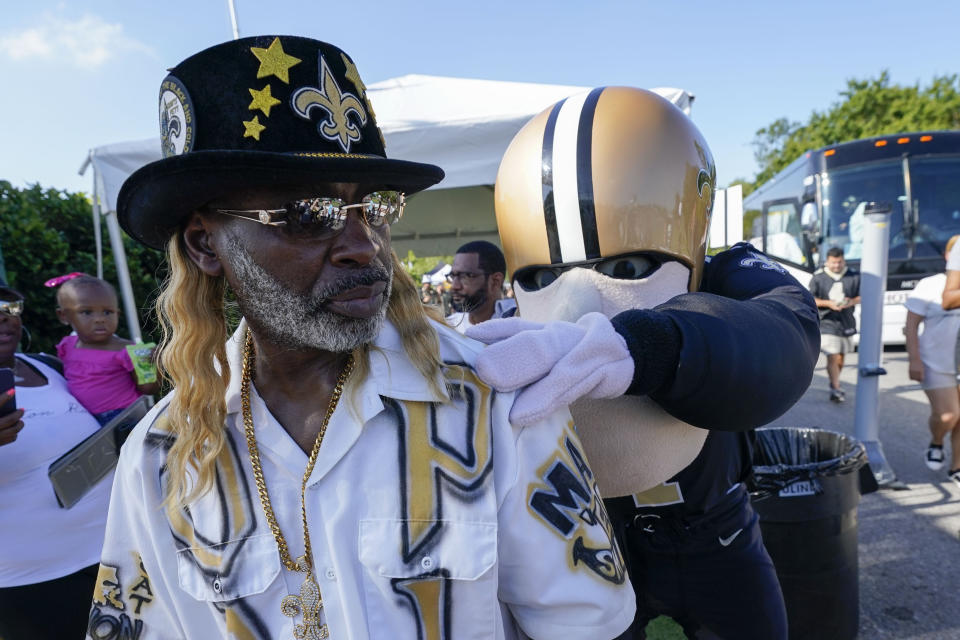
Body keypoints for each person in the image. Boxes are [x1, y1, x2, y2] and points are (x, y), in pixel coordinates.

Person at [87, 36, 634, 640]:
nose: (360, 245)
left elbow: (587, 625)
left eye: (371, 207)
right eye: (308, 214)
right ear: (204, 243)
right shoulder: (165, 454)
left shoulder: (494, 402)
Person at [468, 87, 820, 639]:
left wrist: (654, 343)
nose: (579, 310)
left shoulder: (730, 272)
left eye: (630, 266)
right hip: (592, 543)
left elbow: (788, 334)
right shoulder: (516, 317)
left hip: (714, 533)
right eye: (542, 277)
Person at [0, 286, 115, 639]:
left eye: (9, 306)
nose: (4, 315)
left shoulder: (49, 365)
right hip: (34, 582)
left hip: (113, 555)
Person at [51, 273, 159, 424]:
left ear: (117, 314)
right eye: (86, 312)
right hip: (81, 417)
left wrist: (155, 364)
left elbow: (149, 389)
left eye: (108, 312)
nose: (99, 319)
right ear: (64, 316)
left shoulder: (129, 350)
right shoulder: (67, 345)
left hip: (124, 419)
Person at [906, 235, 960, 486]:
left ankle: (956, 467)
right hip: (935, 362)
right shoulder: (930, 285)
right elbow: (911, 325)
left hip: (957, 364)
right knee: (949, 415)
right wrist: (914, 360)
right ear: (948, 257)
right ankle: (937, 441)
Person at [808, 247, 861, 402]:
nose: (837, 266)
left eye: (839, 262)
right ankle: (836, 387)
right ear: (827, 261)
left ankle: (835, 381)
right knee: (833, 355)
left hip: (846, 321)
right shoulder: (818, 277)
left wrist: (851, 301)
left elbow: (861, 295)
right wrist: (828, 304)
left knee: (841, 357)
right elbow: (811, 299)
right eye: (833, 262)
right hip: (827, 321)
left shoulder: (853, 275)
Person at [445, 240, 514, 333]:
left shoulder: (521, 323)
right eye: (453, 276)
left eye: (467, 276)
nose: (454, 286)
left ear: (495, 281)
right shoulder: (447, 329)